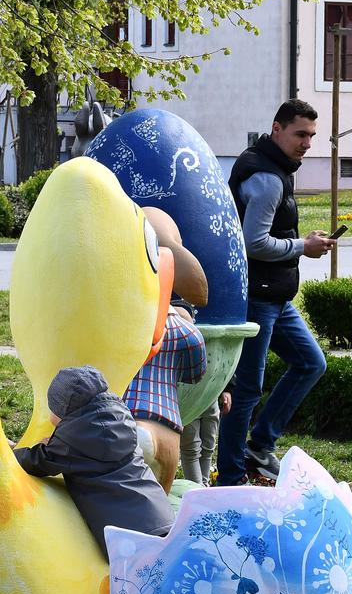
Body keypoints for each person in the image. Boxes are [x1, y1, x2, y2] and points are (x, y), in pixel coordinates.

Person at [216, 99, 336, 486]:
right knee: (247, 389)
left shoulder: (270, 165)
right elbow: (255, 243)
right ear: (277, 128)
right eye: (301, 134)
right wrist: (304, 246)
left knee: (311, 363)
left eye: (312, 136)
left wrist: (302, 243)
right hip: (257, 296)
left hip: (274, 296)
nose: (307, 144)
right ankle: (232, 478)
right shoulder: (267, 179)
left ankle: (259, 446)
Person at [16, 365, 175, 551]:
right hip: (162, 518)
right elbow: (90, 444)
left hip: (127, 535)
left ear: (62, 409)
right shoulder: (121, 420)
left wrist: (6, 451)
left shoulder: (72, 442)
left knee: (139, 576)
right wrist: (59, 442)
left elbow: (37, 461)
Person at [125, 305, 208, 489]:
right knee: (160, 495)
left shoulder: (120, 321)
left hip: (121, 415)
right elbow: (196, 375)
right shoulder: (185, 331)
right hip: (164, 418)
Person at [181, 390, 231, 486]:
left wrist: (227, 389)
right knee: (191, 450)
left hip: (212, 396)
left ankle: (204, 486)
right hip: (188, 396)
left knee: (208, 447)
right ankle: (197, 491)